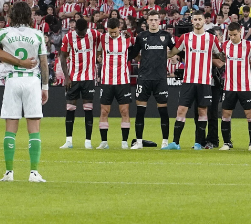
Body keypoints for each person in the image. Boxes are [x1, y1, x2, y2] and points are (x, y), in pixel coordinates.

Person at [0, 2, 48, 182]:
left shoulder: (4, 32)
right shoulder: (37, 34)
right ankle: (34, 173)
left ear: (12, 16)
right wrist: (45, 87)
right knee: (34, 128)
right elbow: (43, 63)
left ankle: (9, 172)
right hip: (32, 80)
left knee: (11, 127)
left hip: (13, 79)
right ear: (29, 16)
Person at [170, 11, 218, 150]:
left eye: (200, 19)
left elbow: (221, 54)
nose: (197, 21)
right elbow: (172, 52)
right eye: (195, 19)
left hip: (204, 81)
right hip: (188, 81)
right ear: (192, 21)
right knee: (181, 110)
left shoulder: (212, 39)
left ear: (204, 21)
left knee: (202, 112)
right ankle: (175, 143)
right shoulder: (185, 38)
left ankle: (198, 143)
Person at [130, 12, 175, 149]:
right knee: (140, 111)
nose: (154, 22)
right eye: (151, 20)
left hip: (160, 79)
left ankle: (165, 142)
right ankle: (138, 142)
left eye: (156, 19)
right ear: (147, 21)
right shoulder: (141, 37)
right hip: (144, 78)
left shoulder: (166, 36)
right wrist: (142, 60)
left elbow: (175, 50)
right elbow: (133, 54)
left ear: (159, 21)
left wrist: (165, 57)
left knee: (163, 111)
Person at [215, 22, 251, 151]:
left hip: (245, 87)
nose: (232, 37)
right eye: (230, 35)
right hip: (229, 87)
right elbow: (217, 57)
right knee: (226, 114)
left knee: (250, 115)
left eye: (235, 35)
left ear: (240, 32)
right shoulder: (225, 46)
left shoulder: (248, 45)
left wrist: (250, 65)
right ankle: (227, 143)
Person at [59, 17, 99, 149]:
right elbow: (63, 56)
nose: (81, 35)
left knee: (88, 109)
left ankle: (88, 141)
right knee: (70, 108)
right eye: (79, 33)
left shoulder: (93, 34)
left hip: (88, 78)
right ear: (75, 29)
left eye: (83, 33)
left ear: (87, 29)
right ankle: (68, 141)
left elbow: (107, 38)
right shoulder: (69, 37)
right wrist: (66, 76)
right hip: (73, 78)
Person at [97, 17, 134, 149]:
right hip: (106, 81)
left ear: (119, 28)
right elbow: (96, 50)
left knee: (124, 111)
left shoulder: (127, 38)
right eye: (110, 32)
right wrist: (98, 56)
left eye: (115, 32)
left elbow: (136, 49)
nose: (113, 34)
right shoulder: (102, 38)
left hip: (123, 81)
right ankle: (104, 142)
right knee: (104, 111)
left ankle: (124, 141)